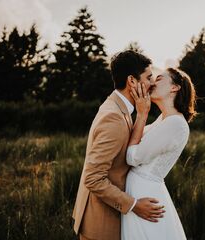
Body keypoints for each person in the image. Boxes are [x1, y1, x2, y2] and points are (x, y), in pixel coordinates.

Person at [72, 50, 165, 240]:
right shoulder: (114, 117)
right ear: (132, 81)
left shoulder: (118, 107)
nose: (152, 84)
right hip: (100, 224)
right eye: (148, 78)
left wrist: (142, 115)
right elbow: (93, 178)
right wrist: (134, 205)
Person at [121, 67, 197, 240]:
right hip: (138, 191)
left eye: (159, 78)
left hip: (145, 194)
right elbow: (134, 140)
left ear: (174, 87)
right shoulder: (163, 119)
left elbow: (132, 157)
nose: (153, 82)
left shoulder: (175, 124)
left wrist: (142, 113)